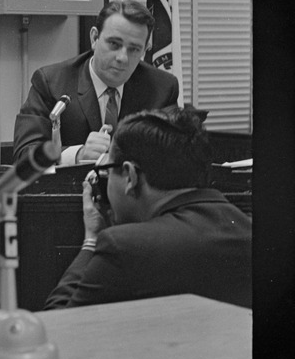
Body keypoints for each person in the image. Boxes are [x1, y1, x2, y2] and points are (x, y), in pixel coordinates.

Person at [43, 106, 251, 310]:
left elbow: (59, 324)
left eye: (106, 172)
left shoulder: (124, 247)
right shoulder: (249, 230)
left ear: (130, 177)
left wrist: (91, 240)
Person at [12, 0, 180, 165]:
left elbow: (175, 153)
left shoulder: (162, 87)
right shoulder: (51, 83)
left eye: (134, 49)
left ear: (145, 50)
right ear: (94, 38)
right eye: (114, 44)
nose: (122, 58)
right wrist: (77, 154)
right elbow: (25, 154)